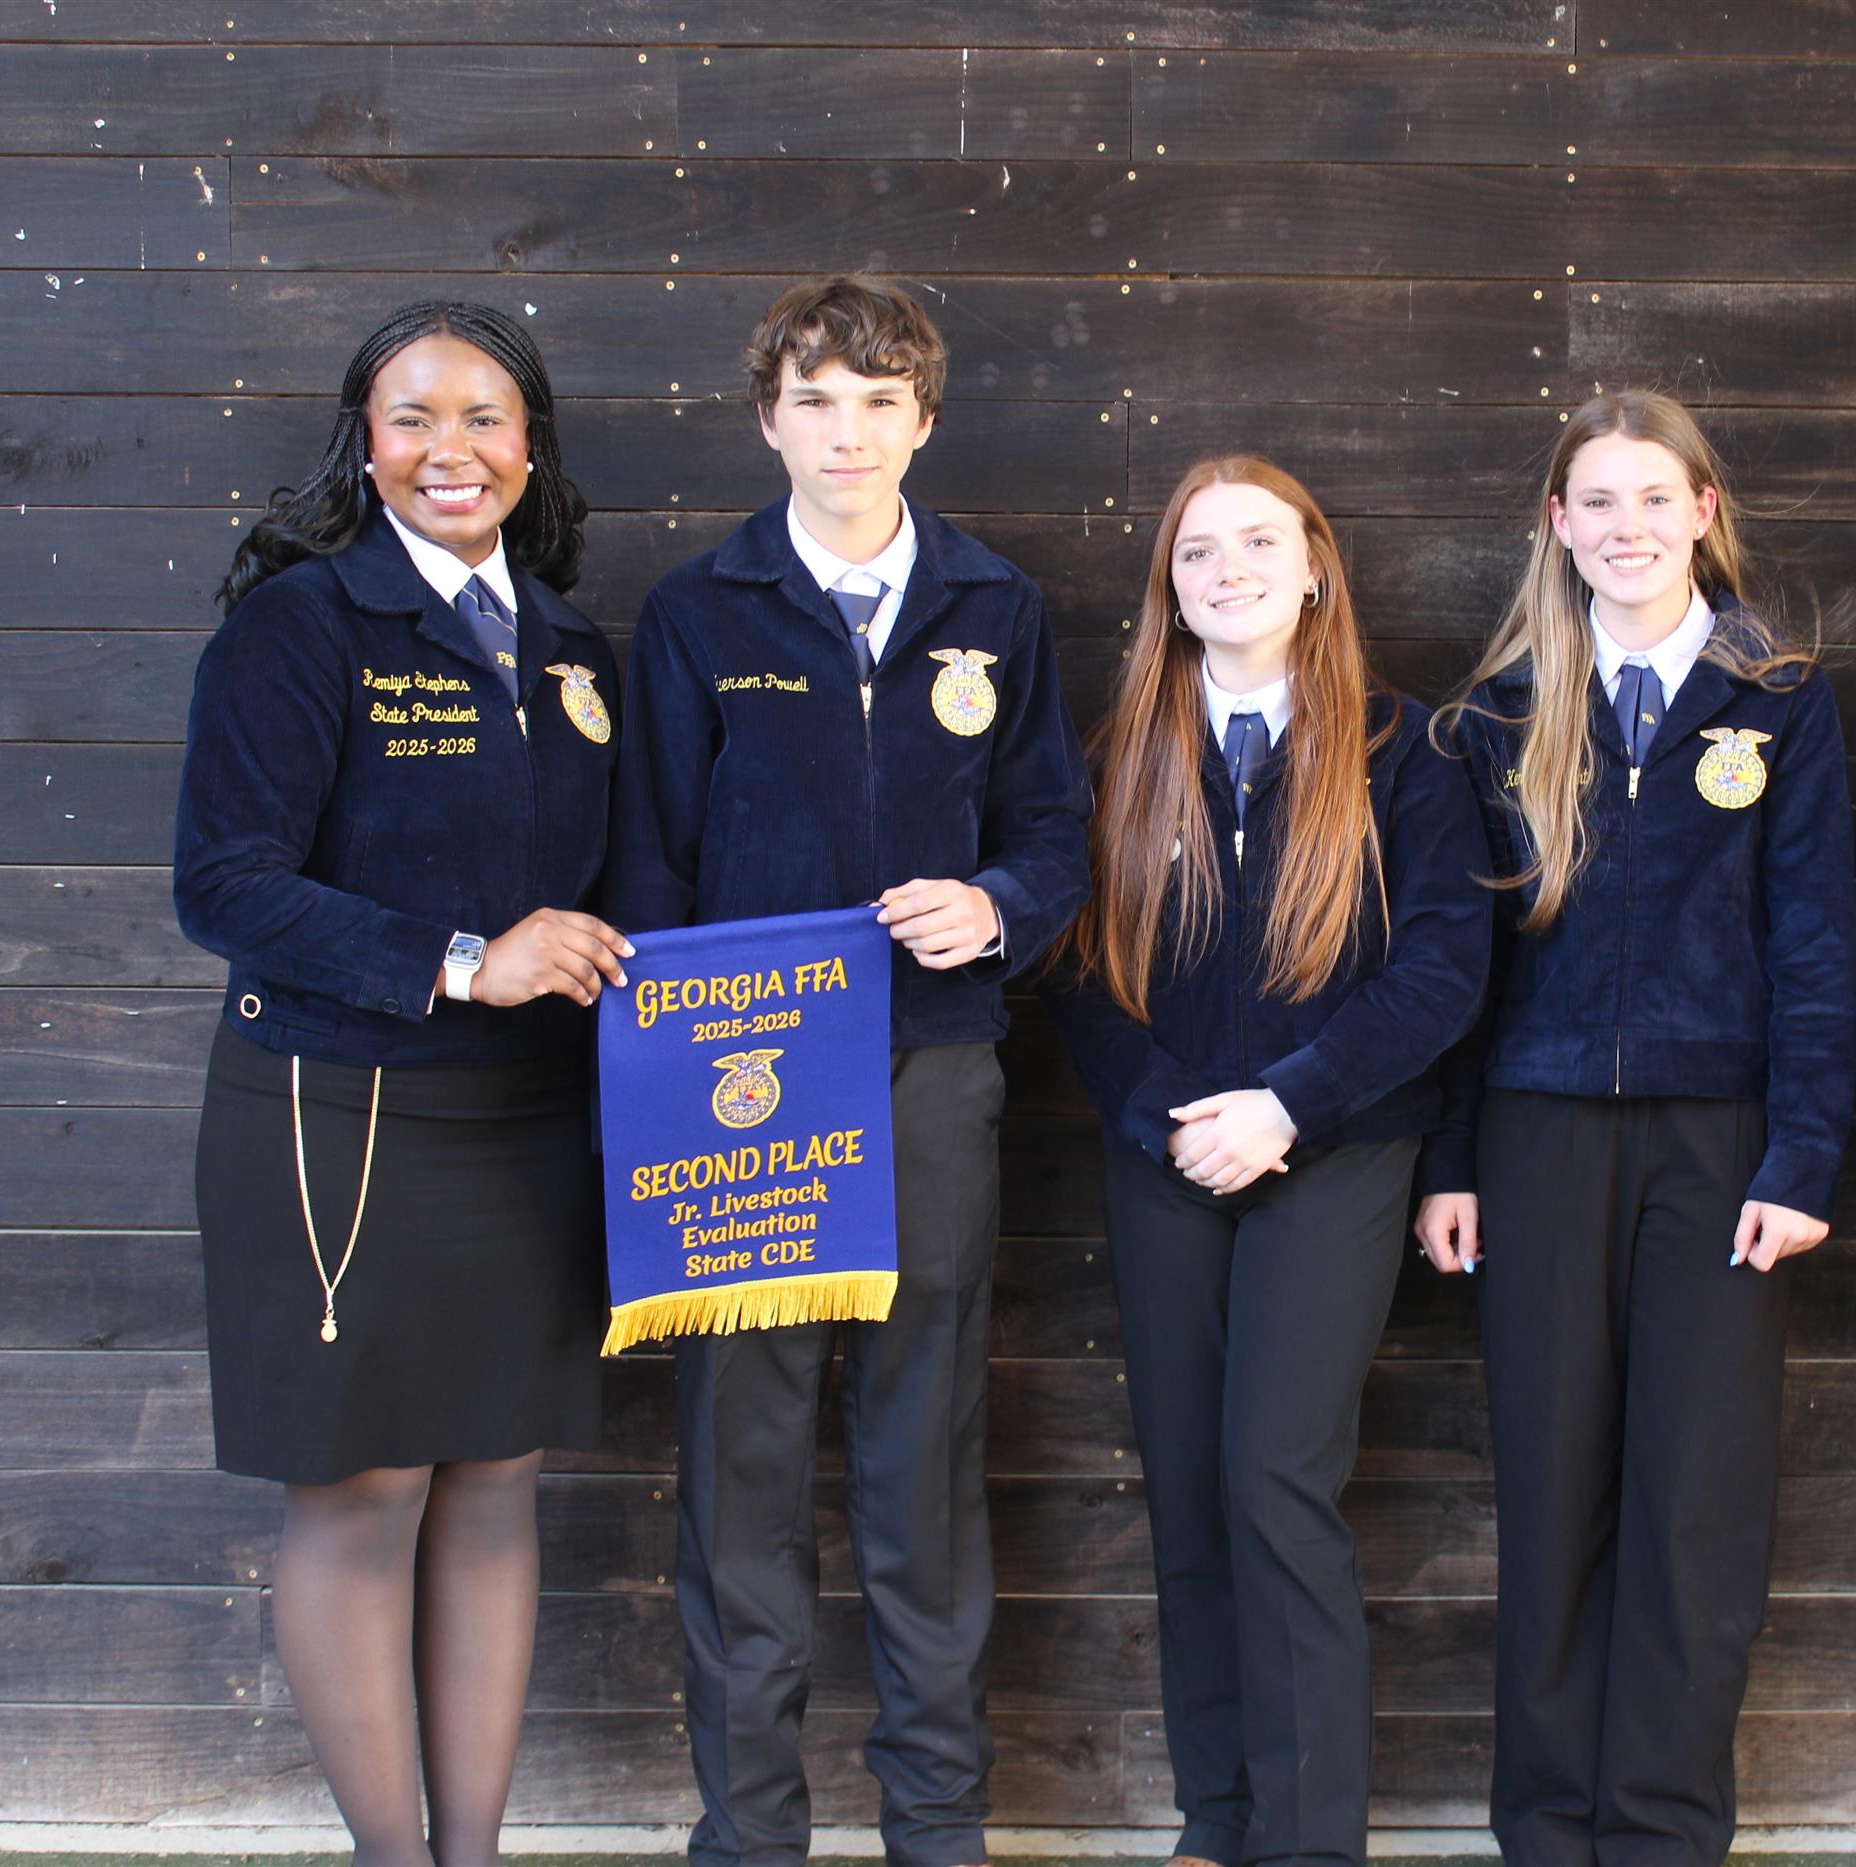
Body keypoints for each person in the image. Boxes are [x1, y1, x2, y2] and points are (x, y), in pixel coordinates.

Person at [606, 274, 1091, 1867]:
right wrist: (666, 1095)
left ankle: (936, 1831)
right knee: (740, 1467)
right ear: (769, 420)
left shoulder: (995, 607)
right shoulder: (700, 610)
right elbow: (650, 870)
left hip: (933, 1080)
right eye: (814, 400)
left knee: (921, 1463)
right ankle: (750, 1836)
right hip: (739, 1095)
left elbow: (1054, 837)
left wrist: (997, 906)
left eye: (880, 401)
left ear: (924, 419)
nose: (847, 431)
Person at [174, 300, 627, 1866]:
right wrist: (461, 959)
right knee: (360, 1496)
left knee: (497, 1485)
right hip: (340, 1116)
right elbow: (225, 885)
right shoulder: (300, 629)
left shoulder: (572, 651)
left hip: (527, 1125)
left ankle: (471, 1856)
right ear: (364, 449)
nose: (453, 450)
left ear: (531, 445)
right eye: (414, 418)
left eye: (484, 417)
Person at [1411, 391, 1856, 1863]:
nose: (1627, 528)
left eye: (1656, 498)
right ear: (1557, 524)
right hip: (1538, 1136)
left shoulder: (1779, 699)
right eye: (1597, 502)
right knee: (1552, 1490)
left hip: (1721, 1149)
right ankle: (1550, 1827)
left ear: (1704, 512)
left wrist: (1802, 1156)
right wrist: (1452, 1159)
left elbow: (1815, 946)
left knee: (1696, 1501)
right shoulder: (1496, 714)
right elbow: (1464, 969)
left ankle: (1662, 1829)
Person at [1045, 457, 1491, 1867]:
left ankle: (1306, 1842)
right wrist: (1169, 1115)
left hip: (1335, 1153)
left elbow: (1441, 972)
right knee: (1187, 1488)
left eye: (1258, 542)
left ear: (1314, 571)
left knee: (1274, 1483)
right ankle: (1217, 1821)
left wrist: (1287, 1106)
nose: (1227, 569)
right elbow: (1076, 971)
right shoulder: (1123, 756)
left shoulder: (1404, 750)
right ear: (1169, 592)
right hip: (1169, 1155)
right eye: (1197, 552)